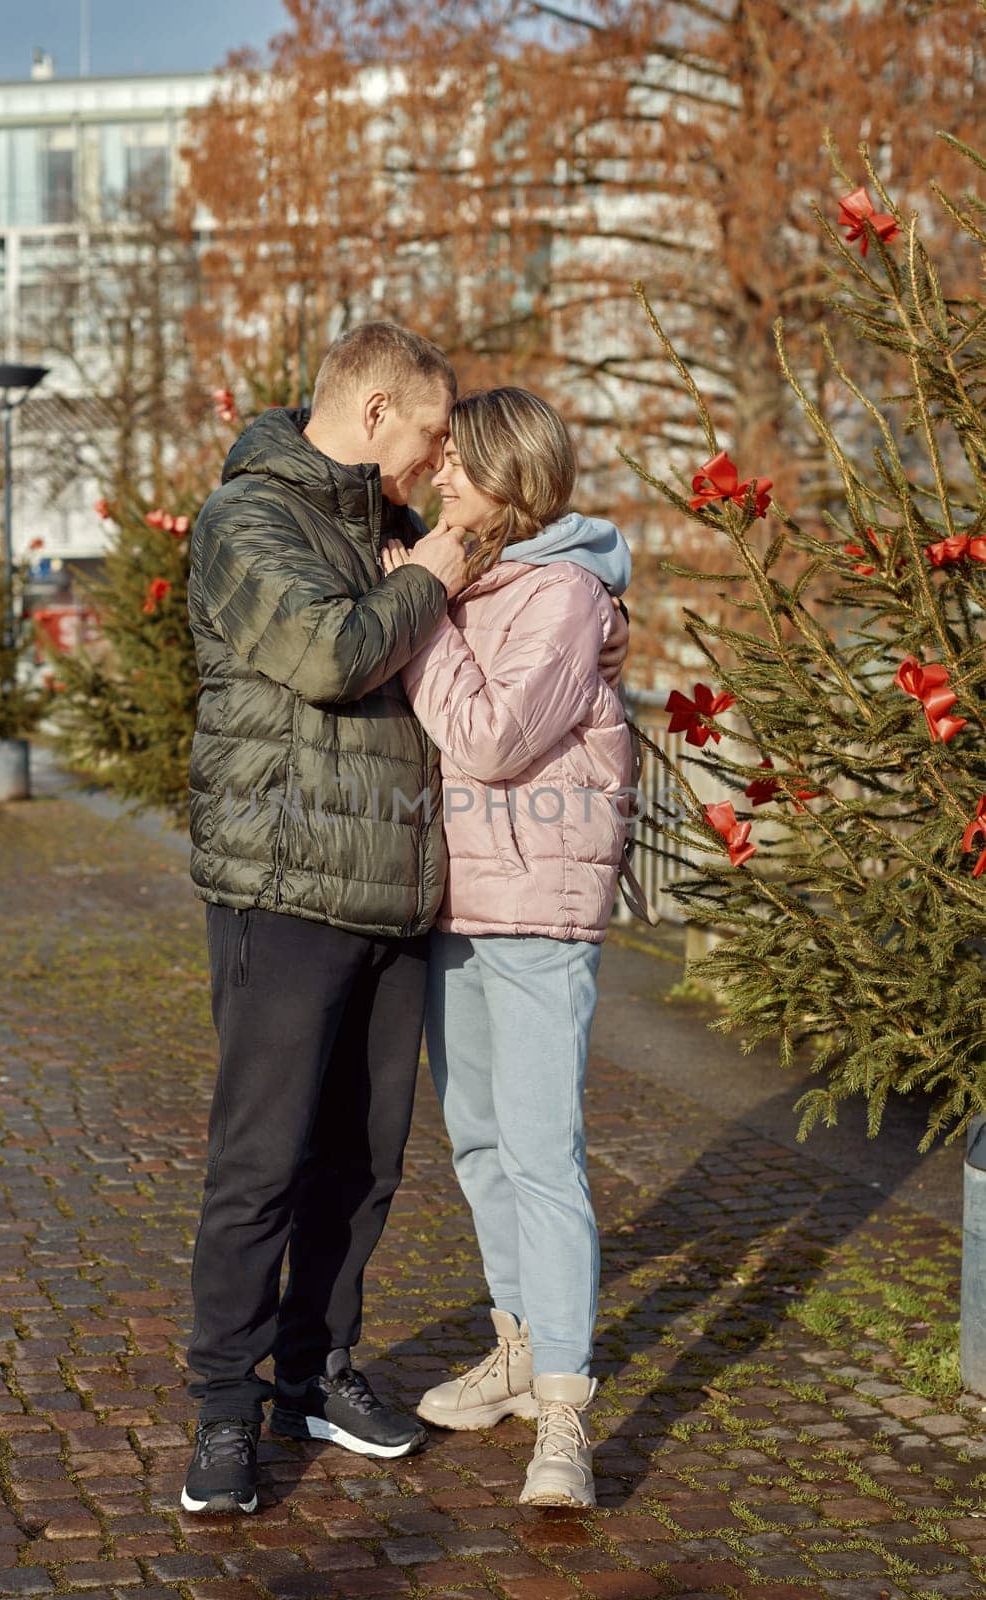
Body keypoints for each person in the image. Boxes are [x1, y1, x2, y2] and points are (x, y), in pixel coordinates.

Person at [180, 322, 471, 1515]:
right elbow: (324, 651)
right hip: (286, 888)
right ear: (373, 413)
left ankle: (315, 1367)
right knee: (260, 1160)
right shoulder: (245, 520)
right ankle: (220, 1410)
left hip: (393, 894)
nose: (438, 459)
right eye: (432, 434)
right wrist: (436, 569)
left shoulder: (383, 527)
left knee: (363, 1159)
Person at [382, 387, 633, 1509]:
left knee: (542, 1153)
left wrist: (417, 610)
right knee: (478, 1143)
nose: (441, 477)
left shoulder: (567, 590)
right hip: (458, 905)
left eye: (460, 467)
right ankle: (521, 1349)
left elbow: (488, 740)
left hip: (538, 909)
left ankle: (570, 1416)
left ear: (511, 479)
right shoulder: (475, 582)